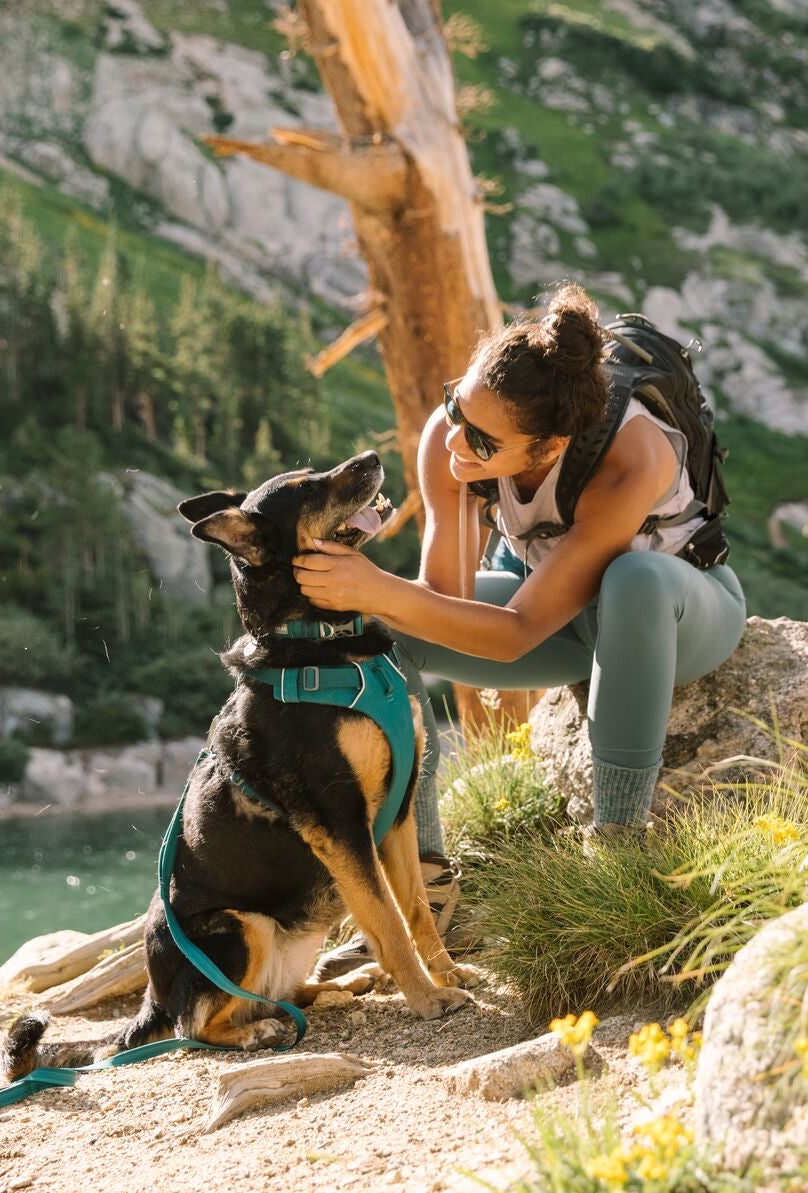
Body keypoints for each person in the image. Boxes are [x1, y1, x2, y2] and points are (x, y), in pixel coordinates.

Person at [293, 282, 747, 961]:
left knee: (634, 578)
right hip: (561, 615)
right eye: (456, 406)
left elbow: (512, 633)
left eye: (482, 438)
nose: (456, 440)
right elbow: (445, 602)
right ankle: (425, 882)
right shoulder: (454, 443)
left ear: (550, 445)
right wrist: (371, 595)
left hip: (679, 614)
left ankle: (618, 851)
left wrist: (380, 586)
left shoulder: (632, 458)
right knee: (384, 634)